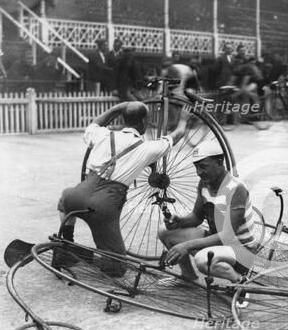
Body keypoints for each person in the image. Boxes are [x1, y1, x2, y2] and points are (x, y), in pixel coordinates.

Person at [54, 101, 190, 275]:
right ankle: (79, 254)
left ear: (124, 119)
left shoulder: (103, 135)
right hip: (102, 208)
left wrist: (120, 107)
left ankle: (67, 242)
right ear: (143, 122)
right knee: (117, 268)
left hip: (75, 197)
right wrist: (184, 120)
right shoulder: (147, 148)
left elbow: (95, 123)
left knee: (64, 199)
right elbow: (176, 136)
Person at [159, 140, 259, 284]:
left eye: (203, 167)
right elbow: (196, 217)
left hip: (241, 250)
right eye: (196, 167)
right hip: (218, 240)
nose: (199, 172)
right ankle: (188, 277)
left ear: (219, 162)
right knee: (165, 231)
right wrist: (178, 221)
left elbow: (227, 235)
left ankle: (240, 281)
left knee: (202, 260)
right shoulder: (204, 184)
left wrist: (187, 245)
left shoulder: (236, 188)